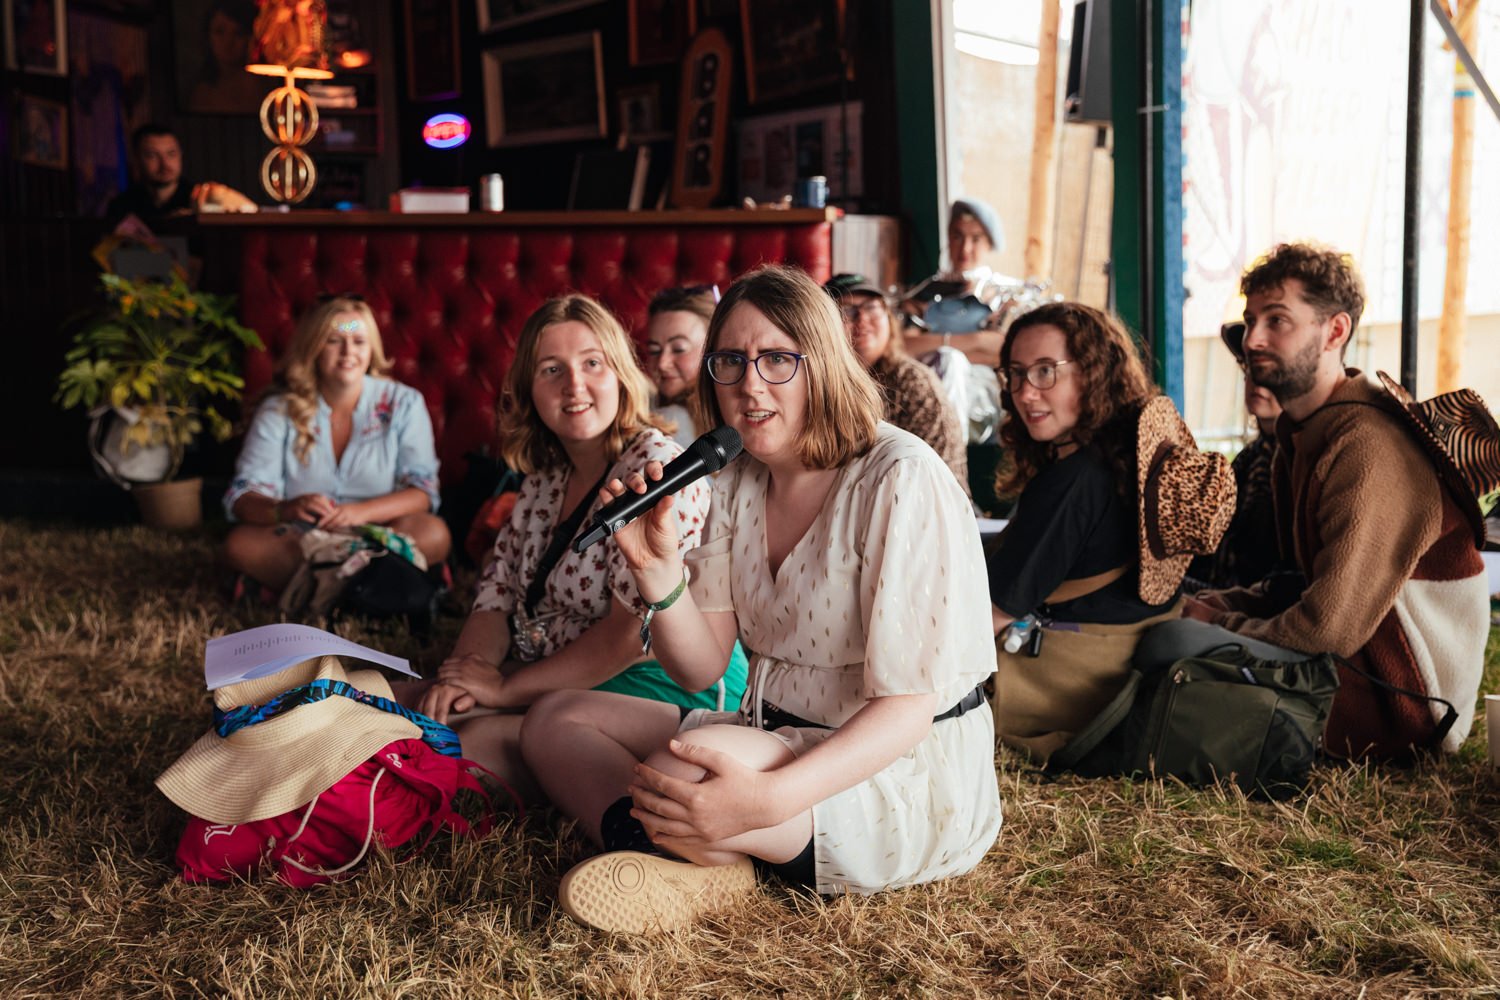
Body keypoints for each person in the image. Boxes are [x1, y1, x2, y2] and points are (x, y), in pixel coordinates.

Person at [519, 265, 1002, 934]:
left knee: (675, 776)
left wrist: (768, 799)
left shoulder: (900, 476)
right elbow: (701, 667)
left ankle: (686, 840)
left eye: (777, 359)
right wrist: (658, 572)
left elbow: (907, 711)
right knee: (554, 719)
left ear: (823, 364)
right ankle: (684, 855)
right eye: (730, 362)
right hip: (768, 732)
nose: (749, 385)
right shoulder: (734, 478)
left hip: (893, 767)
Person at [405, 295, 748, 801]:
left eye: (592, 363)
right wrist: (463, 678)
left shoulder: (657, 468)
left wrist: (501, 689)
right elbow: (496, 598)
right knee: (419, 704)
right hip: (558, 674)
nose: (574, 385)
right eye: (551, 370)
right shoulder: (544, 479)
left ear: (622, 375)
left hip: (662, 683)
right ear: (528, 388)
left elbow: (628, 638)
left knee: (465, 742)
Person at [1185, 243, 1489, 760]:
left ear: (1335, 331)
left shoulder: (1368, 444)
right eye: (1251, 320)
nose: (1253, 339)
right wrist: (1222, 605)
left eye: (1277, 320)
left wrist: (1213, 625)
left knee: (1168, 652)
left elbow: (1326, 629)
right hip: (1351, 664)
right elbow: (1303, 587)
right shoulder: (1303, 433)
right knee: (1163, 632)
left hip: (1407, 706)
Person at [987, 302, 1233, 760]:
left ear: (1093, 374)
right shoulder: (1125, 458)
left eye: (1045, 371)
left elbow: (991, 617)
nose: (1024, 393)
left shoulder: (1075, 480)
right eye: (1016, 374)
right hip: (1120, 668)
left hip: (1063, 687)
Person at [223, 296, 451, 592]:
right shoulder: (278, 410)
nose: (348, 352)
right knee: (240, 544)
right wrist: (285, 509)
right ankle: (377, 586)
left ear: (372, 349)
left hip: (380, 533)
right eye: (334, 340)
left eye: (359, 341)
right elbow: (243, 496)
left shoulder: (404, 403)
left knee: (434, 533)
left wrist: (360, 512)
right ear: (313, 347)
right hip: (304, 537)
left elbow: (422, 491)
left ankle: (315, 587)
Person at [824, 272, 970, 494]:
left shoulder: (913, 382)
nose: (862, 318)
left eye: (871, 307)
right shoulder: (820, 388)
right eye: (846, 309)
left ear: (888, 317)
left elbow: (938, 482)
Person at [1187, 320, 1285, 590]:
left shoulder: (1294, 461)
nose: (1257, 383)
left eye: (1270, 375)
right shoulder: (1249, 459)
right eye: (1251, 370)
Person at [902, 197, 1014, 366]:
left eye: (976, 239)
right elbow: (904, 347)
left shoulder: (1004, 295)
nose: (965, 249)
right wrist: (978, 340)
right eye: (957, 236)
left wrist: (931, 345)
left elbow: (1002, 353)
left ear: (989, 244)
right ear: (948, 239)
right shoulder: (923, 292)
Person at [104, 124, 256, 230]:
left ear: (180, 155)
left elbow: (251, 212)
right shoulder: (122, 206)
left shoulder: (200, 198)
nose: (165, 164)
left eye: (171, 154)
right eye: (152, 156)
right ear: (137, 159)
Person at [641, 284, 716, 448]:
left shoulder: (667, 422)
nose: (662, 363)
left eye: (678, 349)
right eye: (654, 350)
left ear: (714, 348)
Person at [188, 2, 267, 114]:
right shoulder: (201, 91)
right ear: (208, 36)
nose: (228, 42)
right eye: (219, 32)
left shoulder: (257, 88)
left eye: (238, 33)